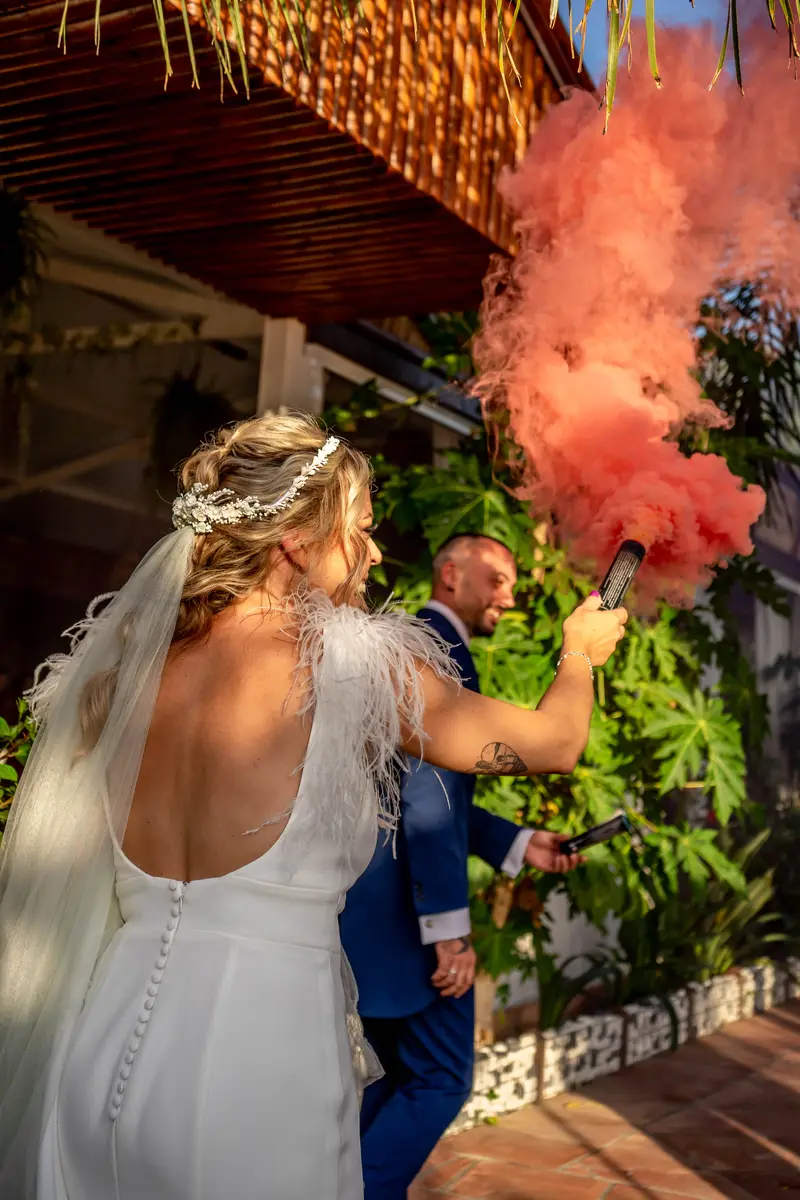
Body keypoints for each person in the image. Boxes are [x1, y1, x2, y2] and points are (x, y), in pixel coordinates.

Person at [0, 412, 627, 1200]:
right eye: (360, 529)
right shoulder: (349, 662)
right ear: (296, 540)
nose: (374, 551)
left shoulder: (127, 676)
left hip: (100, 1047)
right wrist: (580, 653)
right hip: (256, 1066)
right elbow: (553, 742)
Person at [341, 534, 581, 1199]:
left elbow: (419, 788)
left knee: (387, 1078)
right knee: (442, 1077)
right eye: (496, 579)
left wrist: (517, 842)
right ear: (451, 573)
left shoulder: (410, 642)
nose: (509, 595)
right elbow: (428, 795)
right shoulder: (434, 646)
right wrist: (448, 928)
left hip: (372, 913)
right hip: (409, 919)